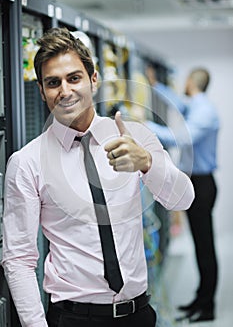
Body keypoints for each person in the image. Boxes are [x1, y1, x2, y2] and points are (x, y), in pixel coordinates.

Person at [1, 28, 194, 327]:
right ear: (41, 91)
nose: (64, 91)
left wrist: (147, 163)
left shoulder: (134, 137)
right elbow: (19, 258)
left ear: (94, 80)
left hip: (138, 315)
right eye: (53, 83)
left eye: (74, 78)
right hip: (73, 317)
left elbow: (183, 198)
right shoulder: (27, 162)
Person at [146, 65, 219, 323]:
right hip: (197, 181)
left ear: (190, 82)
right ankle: (200, 299)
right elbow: (178, 103)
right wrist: (156, 86)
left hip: (202, 184)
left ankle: (207, 306)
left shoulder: (205, 112)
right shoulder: (197, 106)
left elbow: (181, 138)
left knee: (204, 247)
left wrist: (144, 126)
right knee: (201, 244)